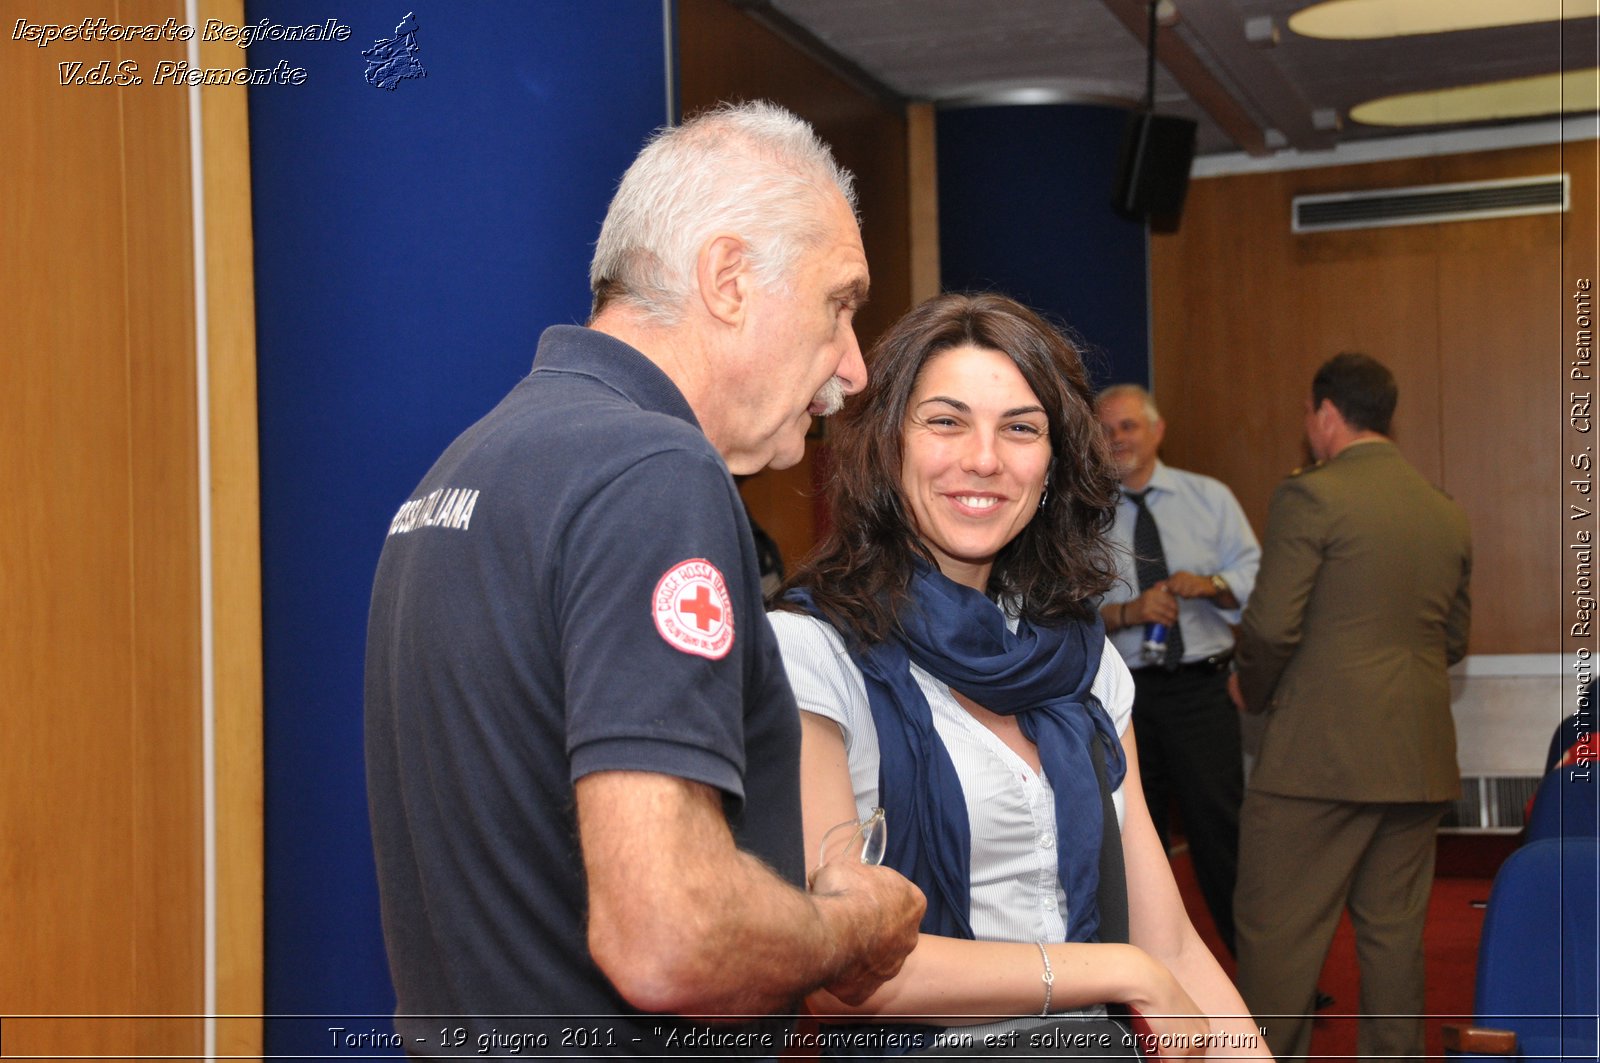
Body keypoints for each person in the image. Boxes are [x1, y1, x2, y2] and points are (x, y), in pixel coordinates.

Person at [363, 101, 924, 1058]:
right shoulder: (654, 471)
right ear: (730, 279)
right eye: (839, 304)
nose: (854, 367)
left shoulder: (466, 467)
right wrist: (847, 925)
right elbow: (668, 938)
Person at [770, 293, 1271, 1058]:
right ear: (886, 443)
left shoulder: (1082, 659)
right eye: (945, 420)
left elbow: (1172, 949)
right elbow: (842, 970)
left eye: (1021, 427)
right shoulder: (812, 652)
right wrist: (1115, 970)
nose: (984, 458)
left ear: (1052, 465)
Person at [1229, 352, 1472, 1063]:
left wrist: (1254, 689)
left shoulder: (1312, 496)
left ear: (1327, 414)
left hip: (1316, 760)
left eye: (1309, 417)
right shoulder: (1444, 509)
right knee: (1394, 939)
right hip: (1417, 759)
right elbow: (1454, 639)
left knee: (1278, 940)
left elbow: (1271, 627)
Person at [1093, 385, 1258, 957]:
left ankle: (1264, 974)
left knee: (1222, 835)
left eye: (1129, 427)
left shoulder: (1209, 497)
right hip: (1121, 702)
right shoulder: (1081, 514)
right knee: (1136, 846)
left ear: (1157, 431)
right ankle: (1150, 979)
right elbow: (1058, 605)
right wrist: (1124, 612)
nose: (1117, 440)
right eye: (1107, 429)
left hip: (1200, 692)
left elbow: (1256, 577)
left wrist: (1212, 585)